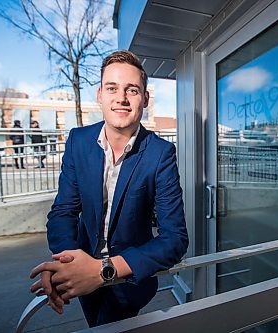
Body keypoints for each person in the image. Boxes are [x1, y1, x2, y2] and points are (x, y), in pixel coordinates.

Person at [29, 50, 189, 327]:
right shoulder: (78, 141)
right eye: (113, 88)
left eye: (132, 90)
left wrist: (102, 270)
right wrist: (65, 263)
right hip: (79, 269)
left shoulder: (161, 154)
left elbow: (174, 239)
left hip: (129, 280)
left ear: (145, 99)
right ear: (100, 94)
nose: (122, 98)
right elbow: (63, 212)